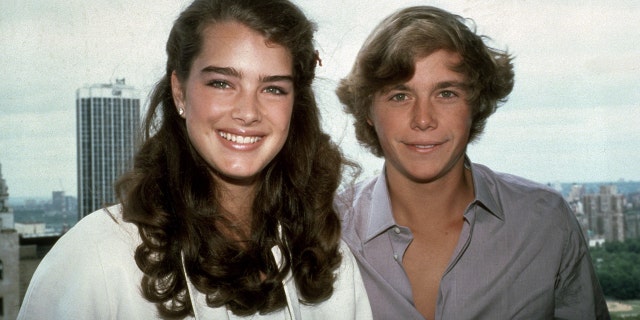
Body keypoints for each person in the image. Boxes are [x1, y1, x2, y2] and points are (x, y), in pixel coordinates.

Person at [18, 0, 372, 319]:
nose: (248, 112)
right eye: (222, 83)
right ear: (179, 91)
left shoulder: (328, 262)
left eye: (273, 88)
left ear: (295, 106)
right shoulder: (95, 257)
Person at [335, 5, 609, 320]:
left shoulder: (546, 224)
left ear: (476, 104)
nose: (423, 119)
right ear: (368, 112)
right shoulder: (323, 230)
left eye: (446, 93)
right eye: (400, 96)